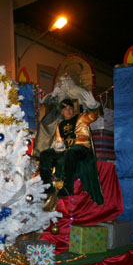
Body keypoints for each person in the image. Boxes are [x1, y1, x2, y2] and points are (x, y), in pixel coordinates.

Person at [34, 75, 104, 206]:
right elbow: (58, 141)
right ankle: (47, 184)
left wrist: (94, 106)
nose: (69, 110)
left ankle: (67, 186)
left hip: (81, 148)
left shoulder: (81, 118)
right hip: (67, 150)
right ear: (62, 111)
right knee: (45, 154)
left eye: (70, 108)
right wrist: (57, 147)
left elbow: (93, 116)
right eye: (65, 108)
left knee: (70, 153)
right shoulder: (60, 125)